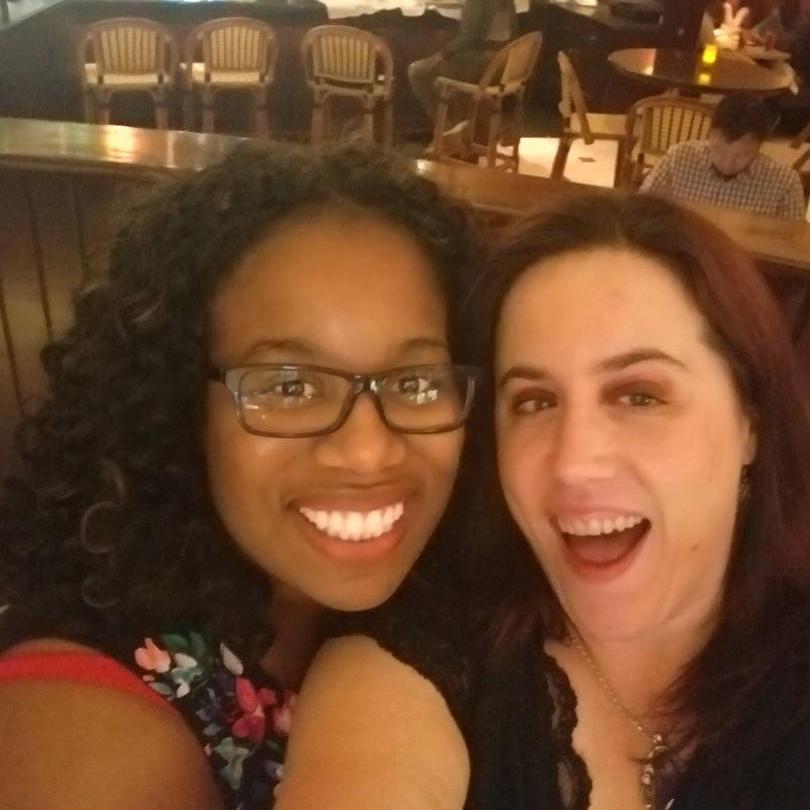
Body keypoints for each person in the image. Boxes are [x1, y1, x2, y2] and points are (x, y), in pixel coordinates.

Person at [278, 188, 810, 810]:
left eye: (639, 395)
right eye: (534, 402)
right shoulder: (416, 657)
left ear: (751, 421)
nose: (574, 462)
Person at [0, 142, 481, 810]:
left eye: (416, 382)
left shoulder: (467, 598)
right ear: (177, 403)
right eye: (289, 386)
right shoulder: (80, 731)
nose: (369, 452)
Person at [641, 93, 806, 220]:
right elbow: (641, 208)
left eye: (742, 155)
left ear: (759, 146)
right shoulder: (679, 157)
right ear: (709, 134)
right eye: (718, 150)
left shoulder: (785, 184)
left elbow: (792, 243)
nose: (727, 164)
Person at [408, 0, 517, 124]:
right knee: (442, 75)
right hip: (503, 65)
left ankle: (448, 128)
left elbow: (468, 38)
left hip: (483, 66)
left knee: (417, 72)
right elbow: (512, 33)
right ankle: (461, 123)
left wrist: (440, 55)